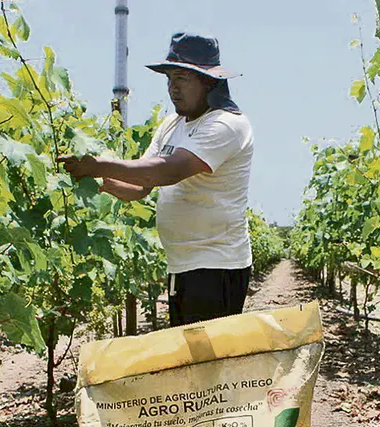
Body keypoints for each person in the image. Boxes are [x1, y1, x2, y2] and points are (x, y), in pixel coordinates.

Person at [60, 33, 254, 328]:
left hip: (217, 266)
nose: (172, 88)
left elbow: (167, 171)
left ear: (208, 81)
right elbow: (141, 185)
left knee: (207, 368)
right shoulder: (172, 124)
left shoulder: (227, 124)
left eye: (181, 79)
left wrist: (101, 165)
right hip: (181, 265)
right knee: (187, 361)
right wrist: (100, 181)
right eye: (169, 79)